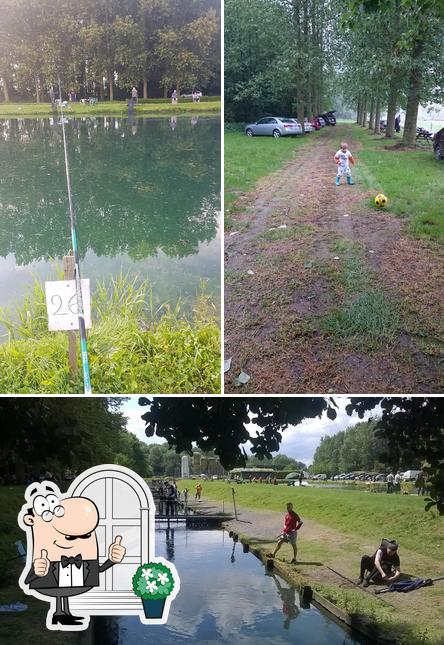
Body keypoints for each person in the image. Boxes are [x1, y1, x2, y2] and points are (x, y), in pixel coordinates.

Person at [19, 481, 125, 627]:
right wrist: (37, 571)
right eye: (70, 537)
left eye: (85, 535)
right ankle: (59, 614)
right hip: (53, 575)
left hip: (71, 578)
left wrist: (112, 560)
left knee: (64, 592)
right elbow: (27, 580)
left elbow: (97, 569)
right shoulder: (46, 557)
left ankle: (63, 614)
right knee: (59, 591)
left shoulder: (83, 560)